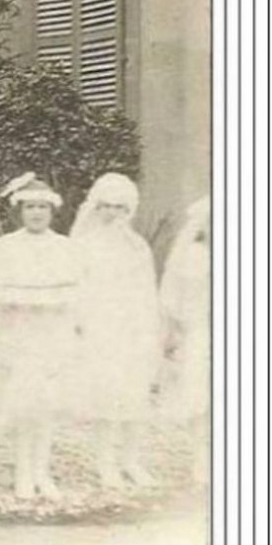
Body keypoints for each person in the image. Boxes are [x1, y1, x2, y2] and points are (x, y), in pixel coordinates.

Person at [0, 173, 81, 500]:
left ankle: (42, 470)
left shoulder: (63, 247)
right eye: (30, 207)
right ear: (20, 211)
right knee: (23, 405)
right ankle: (22, 471)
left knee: (46, 406)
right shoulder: (7, 246)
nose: (37, 213)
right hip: (20, 335)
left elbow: (71, 300)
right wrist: (2, 340)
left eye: (42, 207)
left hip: (50, 337)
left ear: (52, 211)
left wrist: (67, 341)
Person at [71, 172, 162, 490]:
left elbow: (147, 291)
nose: (113, 213)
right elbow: (77, 290)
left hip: (134, 328)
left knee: (134, 398)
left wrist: (150, 331)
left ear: (129, 211)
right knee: (106, 400)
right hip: (101, 328)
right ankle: (105, 464)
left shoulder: (137, 246)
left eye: (121, 208)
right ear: (96, 207)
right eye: (107, 206)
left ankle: (131, 460)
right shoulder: (84, 245)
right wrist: (83, 325)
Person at [157, 195, 211, 486]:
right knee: (201, 397)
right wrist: (173, 333)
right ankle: (201, 458)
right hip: (201, 331)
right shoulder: (193, 256)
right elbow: (173, 298)